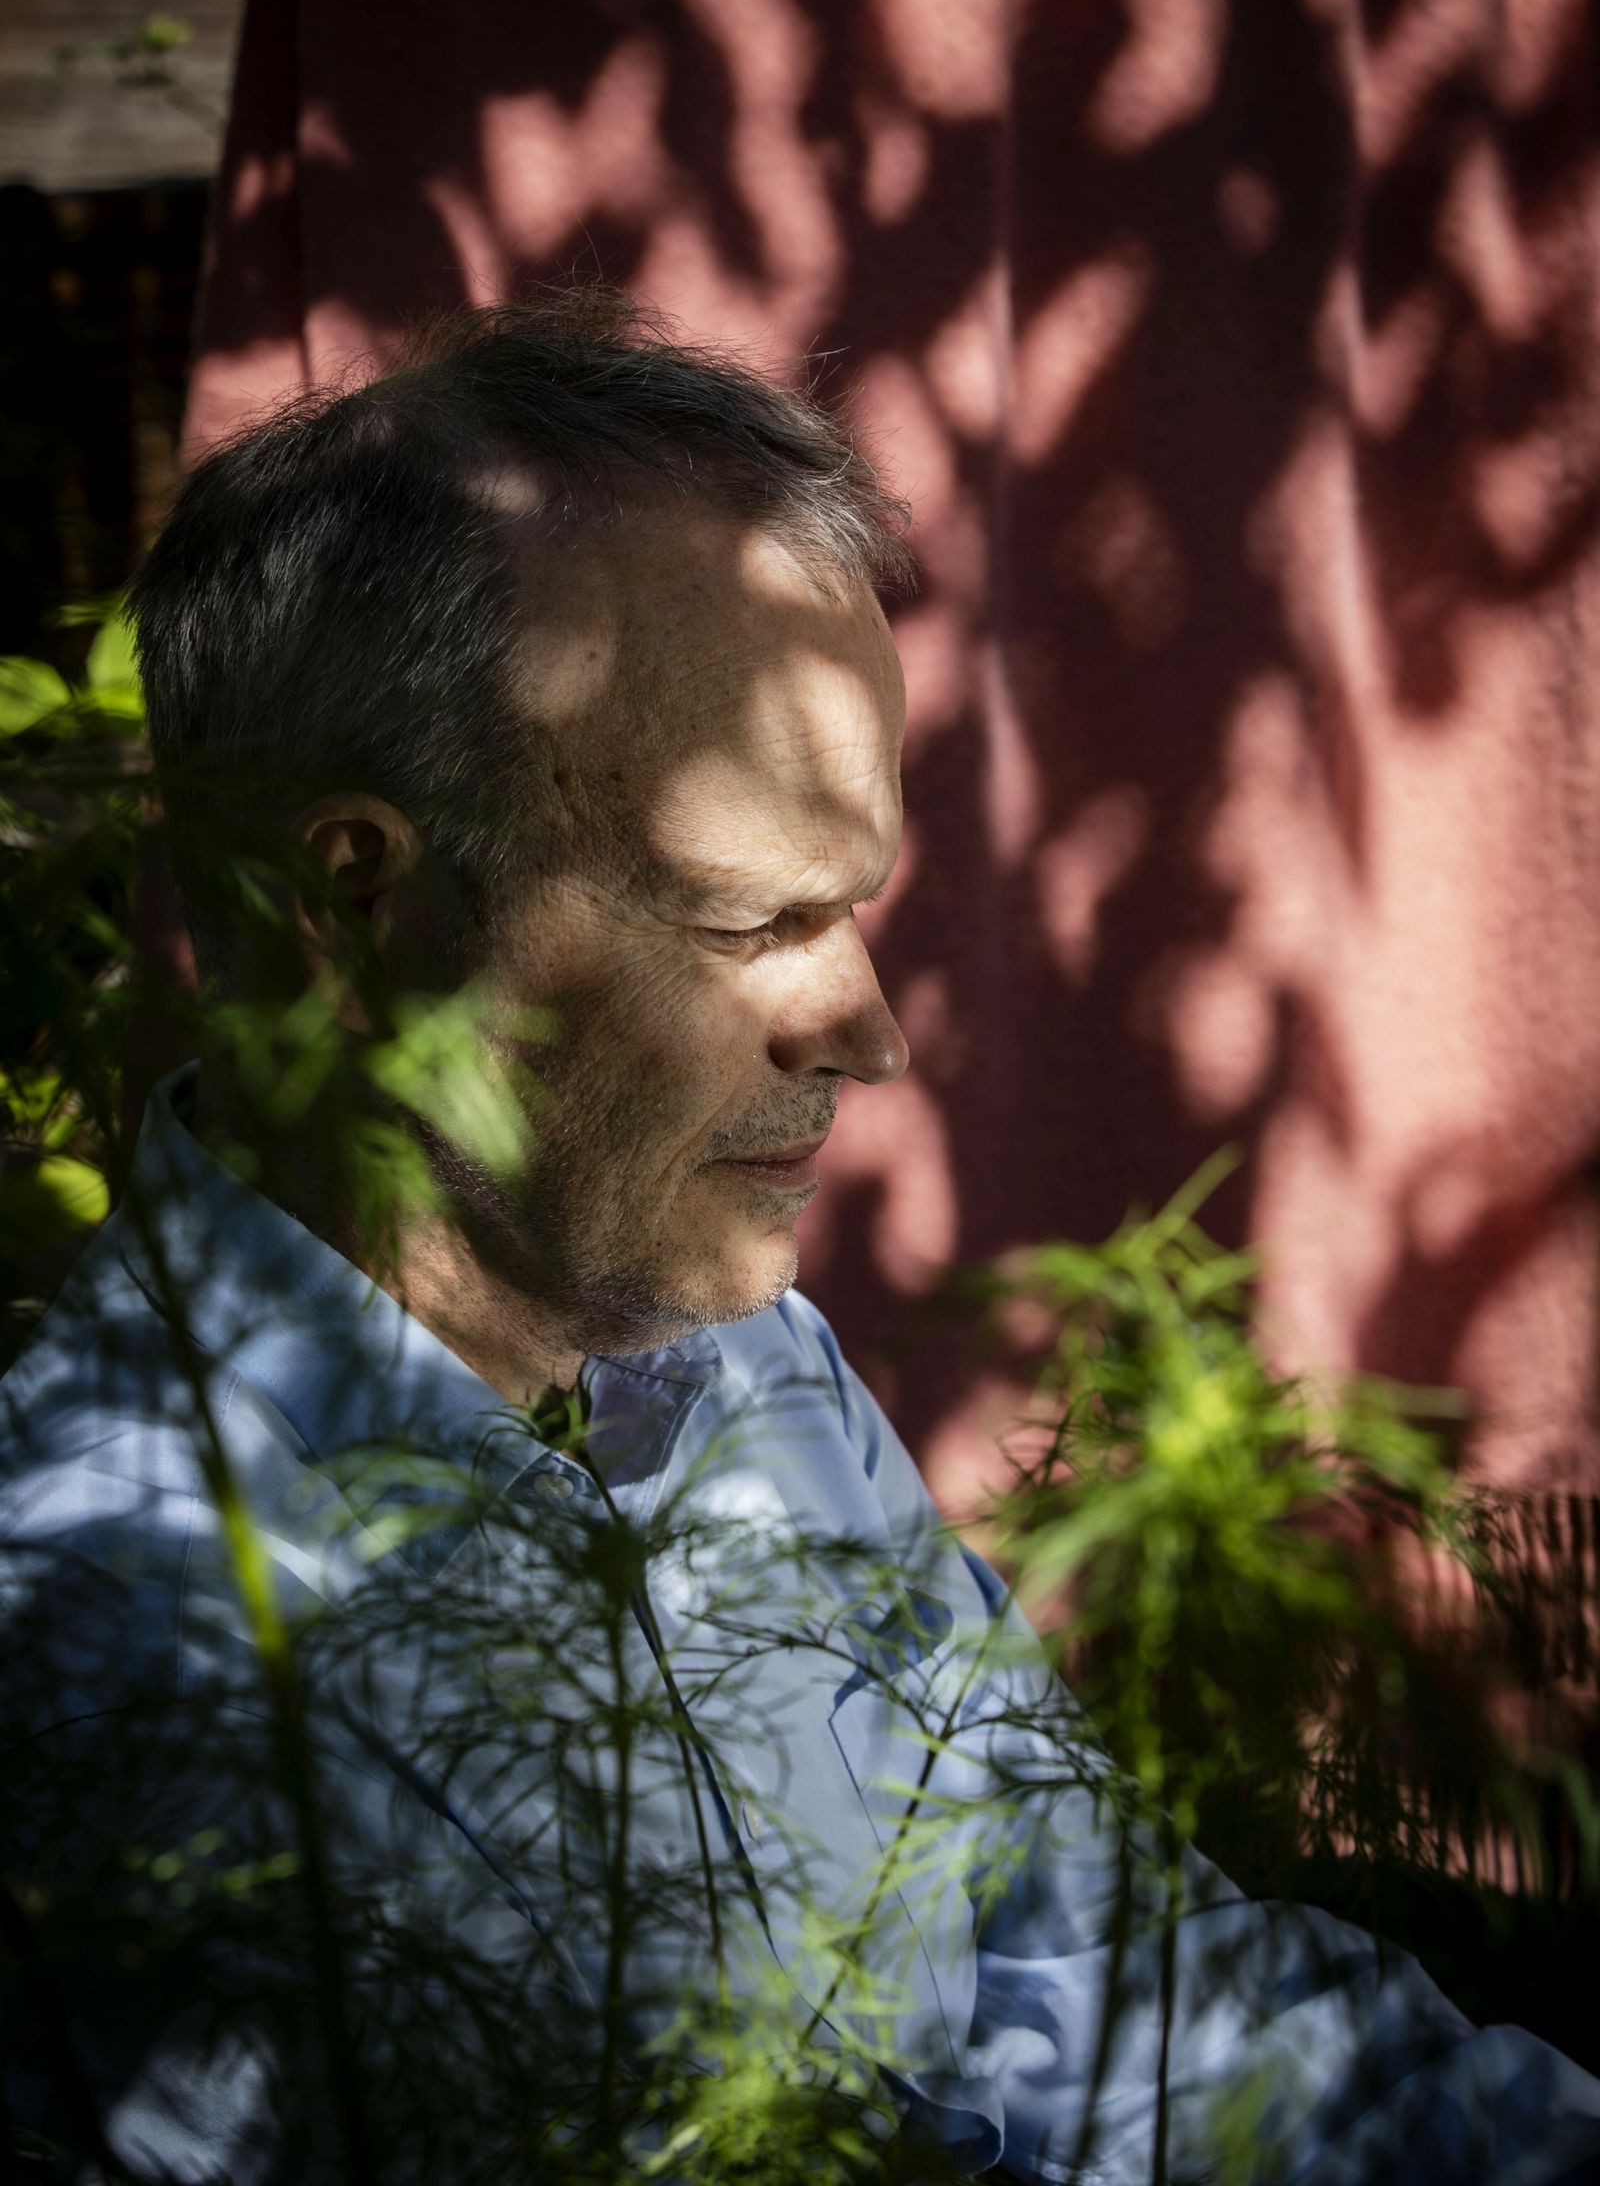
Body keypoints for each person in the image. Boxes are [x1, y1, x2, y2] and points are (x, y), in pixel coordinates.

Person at [3, 292, 1598, 2185]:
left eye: (856, 909)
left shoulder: (740, 1365)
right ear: (356, 906)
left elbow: (1114, 1983)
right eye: (749, 920)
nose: (870, 1031)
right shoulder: (118, 1635)